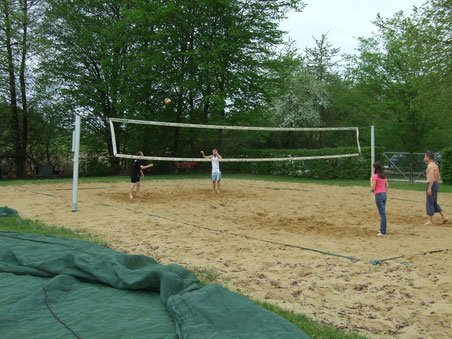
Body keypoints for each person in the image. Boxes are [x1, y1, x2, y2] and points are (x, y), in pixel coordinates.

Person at [424, 151, 448, 225]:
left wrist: (430, 188)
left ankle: (429, 220)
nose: (424, 158)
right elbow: (438, 176)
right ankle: (444, 217)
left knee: (429, 202)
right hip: (435, 184)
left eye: (425, 156)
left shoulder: (430, 166)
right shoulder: (435, 165)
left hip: (431, 184)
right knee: (434, 202)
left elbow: (431, 177)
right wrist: (436, 184)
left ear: (428, 157)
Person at [371, 162, 389, 236]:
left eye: (373, 167)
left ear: (375, 168)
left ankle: (383, 231)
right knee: (382, 212)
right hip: (384, 194)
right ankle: (382, 229)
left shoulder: (375, 176)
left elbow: (373, 187)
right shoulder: (383, 176)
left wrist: (371, 181)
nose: (372, 169)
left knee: (382, 214)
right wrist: (385, 192)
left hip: (378, 195)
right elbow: (387, 185)